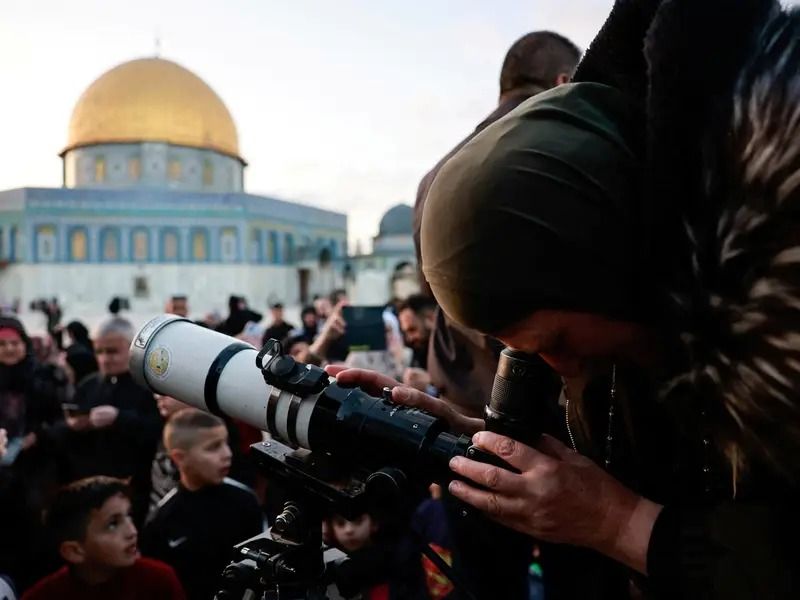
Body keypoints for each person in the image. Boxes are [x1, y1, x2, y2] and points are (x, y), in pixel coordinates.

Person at [340, 1, 800, 597]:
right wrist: (470, 445)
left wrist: (620, 525)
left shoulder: (776, 311)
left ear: (610, 265)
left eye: (554, 340)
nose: (555, 365)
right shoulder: (635, 335)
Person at [413, 30, 580, 421]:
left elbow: (430, 288)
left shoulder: (436, 176)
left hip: (457, 401)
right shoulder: (561, 153)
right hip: (538, 412)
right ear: (563, 82)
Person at [46, 317, 161, 527]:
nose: (105, 359)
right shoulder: (89, 385)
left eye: (113, 352)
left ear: (132, 348)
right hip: (90, 488)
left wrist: (120, 418)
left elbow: (157, 430)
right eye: (99, 352)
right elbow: (62, 429)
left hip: (134, 487)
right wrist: (74, 426)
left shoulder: (149, 386)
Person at [141, 408, 264, 600]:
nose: (227, 454)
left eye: (226, 443)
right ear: (179, 458)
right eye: (213, 447)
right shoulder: (163, 519)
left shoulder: (245, 500)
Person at [22, 476, 185, 600]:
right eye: (113, 524)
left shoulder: (159, 581)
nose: (132, 531)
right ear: (74, 551)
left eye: (129, 516)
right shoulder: (43, 596)